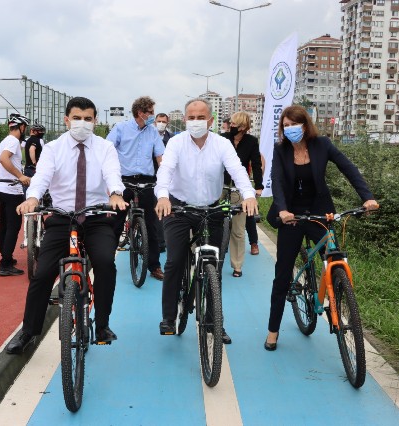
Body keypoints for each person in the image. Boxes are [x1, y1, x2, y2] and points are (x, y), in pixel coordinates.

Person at [6, 96, 127, 354]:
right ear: (66, 120)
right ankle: (28, 332)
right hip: (62, 217)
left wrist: (115, 193)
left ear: (95, 121)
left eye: (87, 119)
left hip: (95, 217)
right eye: (76, 118)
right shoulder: (52, 148)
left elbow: (112, 173)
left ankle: (103, 324)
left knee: (106, 263)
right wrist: (33, 199)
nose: (81, 123)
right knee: (43, 274)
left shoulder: (105, 148)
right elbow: (42, 177)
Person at [264, 105, 377, 351]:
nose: (290, 129)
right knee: (282, 274)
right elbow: (278, 180)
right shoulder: (280, 150)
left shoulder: (322, 144)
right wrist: (283, 210)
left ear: (306, 124)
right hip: (291, 216)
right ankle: (273, 330)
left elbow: (348, 168)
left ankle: (338, 293)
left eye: (294, 124)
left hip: (319, 212)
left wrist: (366, 197)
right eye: (286, 125)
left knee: (333, 255)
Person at [155, 98, 258, 345]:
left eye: (200, 117)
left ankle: (214, 321)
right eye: (190, 118)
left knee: (215, 266)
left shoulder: (222, 144)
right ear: (184, 120)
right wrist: (162, 196)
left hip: (211, 209)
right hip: (179, 208)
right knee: (175, 260)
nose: (195, 122)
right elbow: (165, 172)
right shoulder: (176, 143)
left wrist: (249, 195)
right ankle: (169, 317)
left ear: (210, 121)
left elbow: (238, 171)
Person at [107, 96, 165, 281]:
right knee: (116, 224)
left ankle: (154, 266)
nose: (153, 116)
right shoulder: (121, 128)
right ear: (141, 113)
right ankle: (107, 262)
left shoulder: (153, 132)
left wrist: (165, 178)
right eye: (150, 112)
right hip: (123, 181)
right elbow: (107, 151)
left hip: (147, 181)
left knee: (152, 225)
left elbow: (160, 158)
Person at [222, 111, 264, 278]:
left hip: (239, 187)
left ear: (243, 127)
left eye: (234, 124)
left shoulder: (252, 142)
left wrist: (258, 186)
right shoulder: (222, 138)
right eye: (230, 123)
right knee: (211, 221)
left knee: (239, 230)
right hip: (220, 185)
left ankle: (237, 265)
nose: (230, 126)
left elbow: (256, 164)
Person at [0, 113, 31, 276]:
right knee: (13, 227)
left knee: (4, 225)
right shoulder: (13, 141)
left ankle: (6, 256)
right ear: (22, 127)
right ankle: (5, 263)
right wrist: (20, 176)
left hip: (2, 188)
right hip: (11, 189)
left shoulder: (5, 140)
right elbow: (4, 159)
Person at [154, 112, 173, 252]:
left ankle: (163, 241)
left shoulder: (171, 139)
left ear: (167, 123)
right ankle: (158, 242)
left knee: (164, 209)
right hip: (151, 176)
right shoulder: (150, 136)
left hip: (166, 178)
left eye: (163, 121)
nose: (161, 123)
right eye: (158, 121)